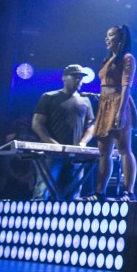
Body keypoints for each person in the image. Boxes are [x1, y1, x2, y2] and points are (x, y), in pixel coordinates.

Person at [85, 25, 137, 202]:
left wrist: (121, 111)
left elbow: (126, 86)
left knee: (124, 149)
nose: (107, 39)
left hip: (118, 103)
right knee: (104, 152)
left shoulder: (127, 58)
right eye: (106, 35)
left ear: (121, 38)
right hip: (105, 105)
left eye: (111, 35)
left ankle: (128, 191)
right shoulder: (108, 59)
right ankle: (99, 192)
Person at [31, 64, 96, 200]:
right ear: (64, 78)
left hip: (75, 155)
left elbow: (91, 126)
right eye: (75, 77)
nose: (78, 80)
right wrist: (53, 144)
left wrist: (83, 143)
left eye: (80, 78)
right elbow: (36, 124)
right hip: (51, 154)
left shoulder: (85, 100)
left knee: (72, 195)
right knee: (43, 193)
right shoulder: (49, 97)